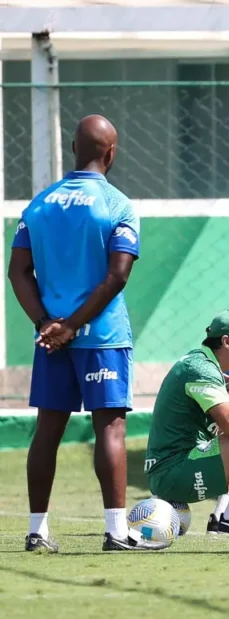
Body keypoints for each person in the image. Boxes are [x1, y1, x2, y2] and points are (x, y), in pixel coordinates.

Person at [9, 116, 145, 553]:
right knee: (110, 428)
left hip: (51, 340)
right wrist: (72, 325)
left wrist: (46, 325)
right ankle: (115, 530)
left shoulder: (40, 204)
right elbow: (118, 276)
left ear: (72, 148)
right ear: (112, 152)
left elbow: (17, 271)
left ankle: (37, 530)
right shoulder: (118, 205)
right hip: (102, 337)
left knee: (48, 429)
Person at [144, 311, 229, 535]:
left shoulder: (205, 365)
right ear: (227, 341)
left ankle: (224, 516)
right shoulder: (202, 369)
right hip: (173, 473)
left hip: (173, 472)